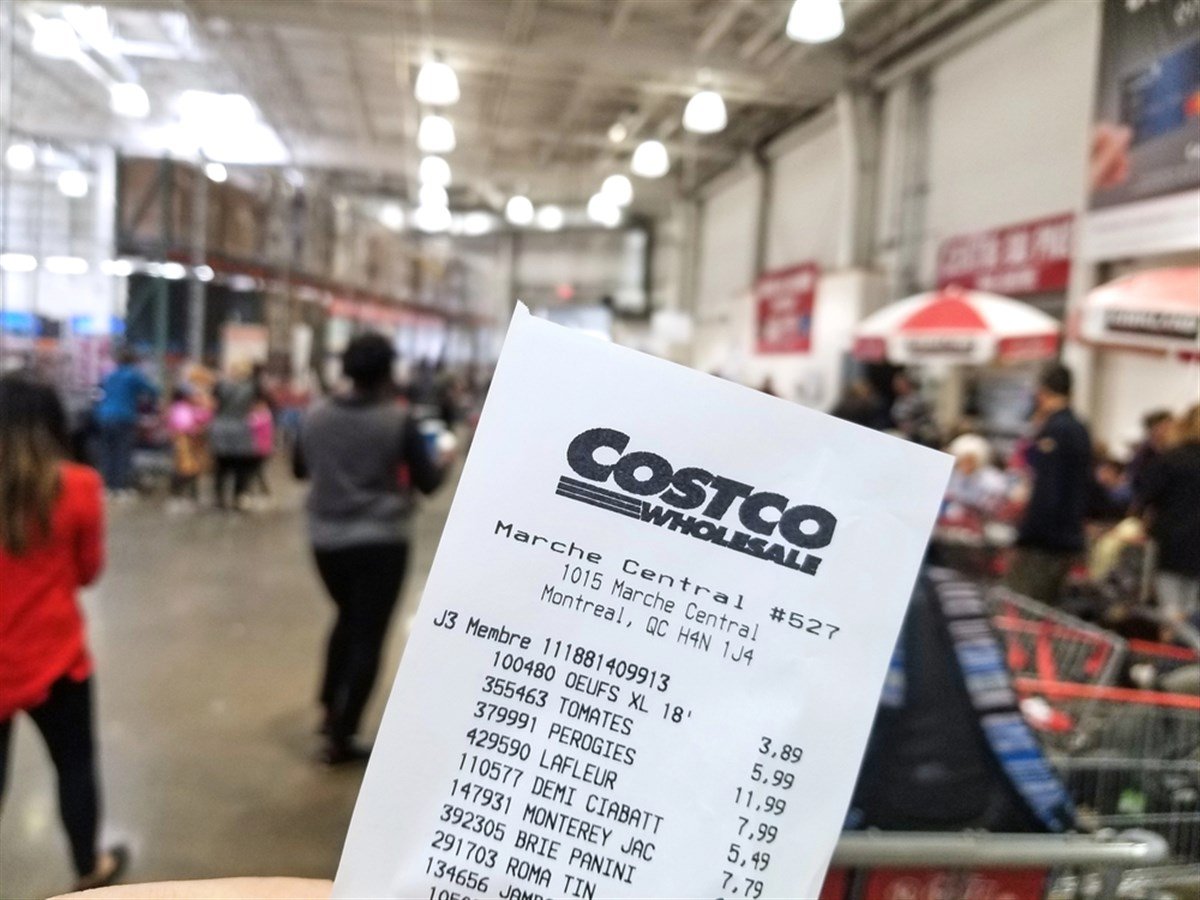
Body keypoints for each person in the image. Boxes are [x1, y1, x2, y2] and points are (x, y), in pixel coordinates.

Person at [0, 373, 128, 891]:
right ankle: (87, 868)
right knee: (75, 767)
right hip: (56, 661)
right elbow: (86, 573)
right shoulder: (77, 486)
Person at [294, 334, 447, 765]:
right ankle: (342, 737)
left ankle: (329, 709)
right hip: (381, 542)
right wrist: (446, 461)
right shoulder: (396, 421)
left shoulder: (317, 414)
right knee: (369, 636)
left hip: (325, 542)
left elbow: (299, 468)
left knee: (346, 617)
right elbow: (428, 483)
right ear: (387, 371)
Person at [1006, 365, 1092, 604]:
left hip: (1046, 541)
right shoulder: (1080, 428)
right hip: (1066, 536)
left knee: (1023, 607)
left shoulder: (1057, 429)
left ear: (1042, 392)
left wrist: (1026, 535)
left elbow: (1048, 491)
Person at [1140, 405, 1200, 632]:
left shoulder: (1171, 459)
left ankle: (1172, 657)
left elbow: (1145, 495)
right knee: (1192, 608)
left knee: (1170, 608)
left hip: (1171, 545)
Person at [93, 349, 157, 494]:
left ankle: (106, 486)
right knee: (123, 452)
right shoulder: (133, 375)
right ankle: (120, 487)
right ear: (133, 361)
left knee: (107, 452)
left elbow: (99, 391)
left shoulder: (110, 375)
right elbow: (152, 390)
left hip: (104, 417)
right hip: (124, 417)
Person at [210, 363, 259, 512]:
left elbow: (213, 404)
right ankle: (238, 498)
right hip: (241, 429)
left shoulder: (220, 386)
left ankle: (219, 499)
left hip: (221, 428)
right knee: (240, 467)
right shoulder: (252, 387)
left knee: (221, 467)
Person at [166, 387, 211, 511]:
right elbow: (183, 426)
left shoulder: (192, 409)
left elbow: (205, 418)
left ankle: (191, 497)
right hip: (184, 445)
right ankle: (177, 496)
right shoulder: (181, 408)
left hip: (194, 446)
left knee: (194, 470)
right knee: (184, 471)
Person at [1128, 409, 1172, 507]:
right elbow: (1137, 480)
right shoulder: (1143, 454)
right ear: (1153, 428)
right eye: (1165, 426)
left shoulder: (1173, 452)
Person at [890, 370, 939, 446]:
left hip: (919, 435)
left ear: (906, 383)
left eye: (899, 384)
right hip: (903, 433)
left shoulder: (918, 399)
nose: (896, 386)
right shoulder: (899, 400)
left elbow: (928, 417)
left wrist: (913, 426)